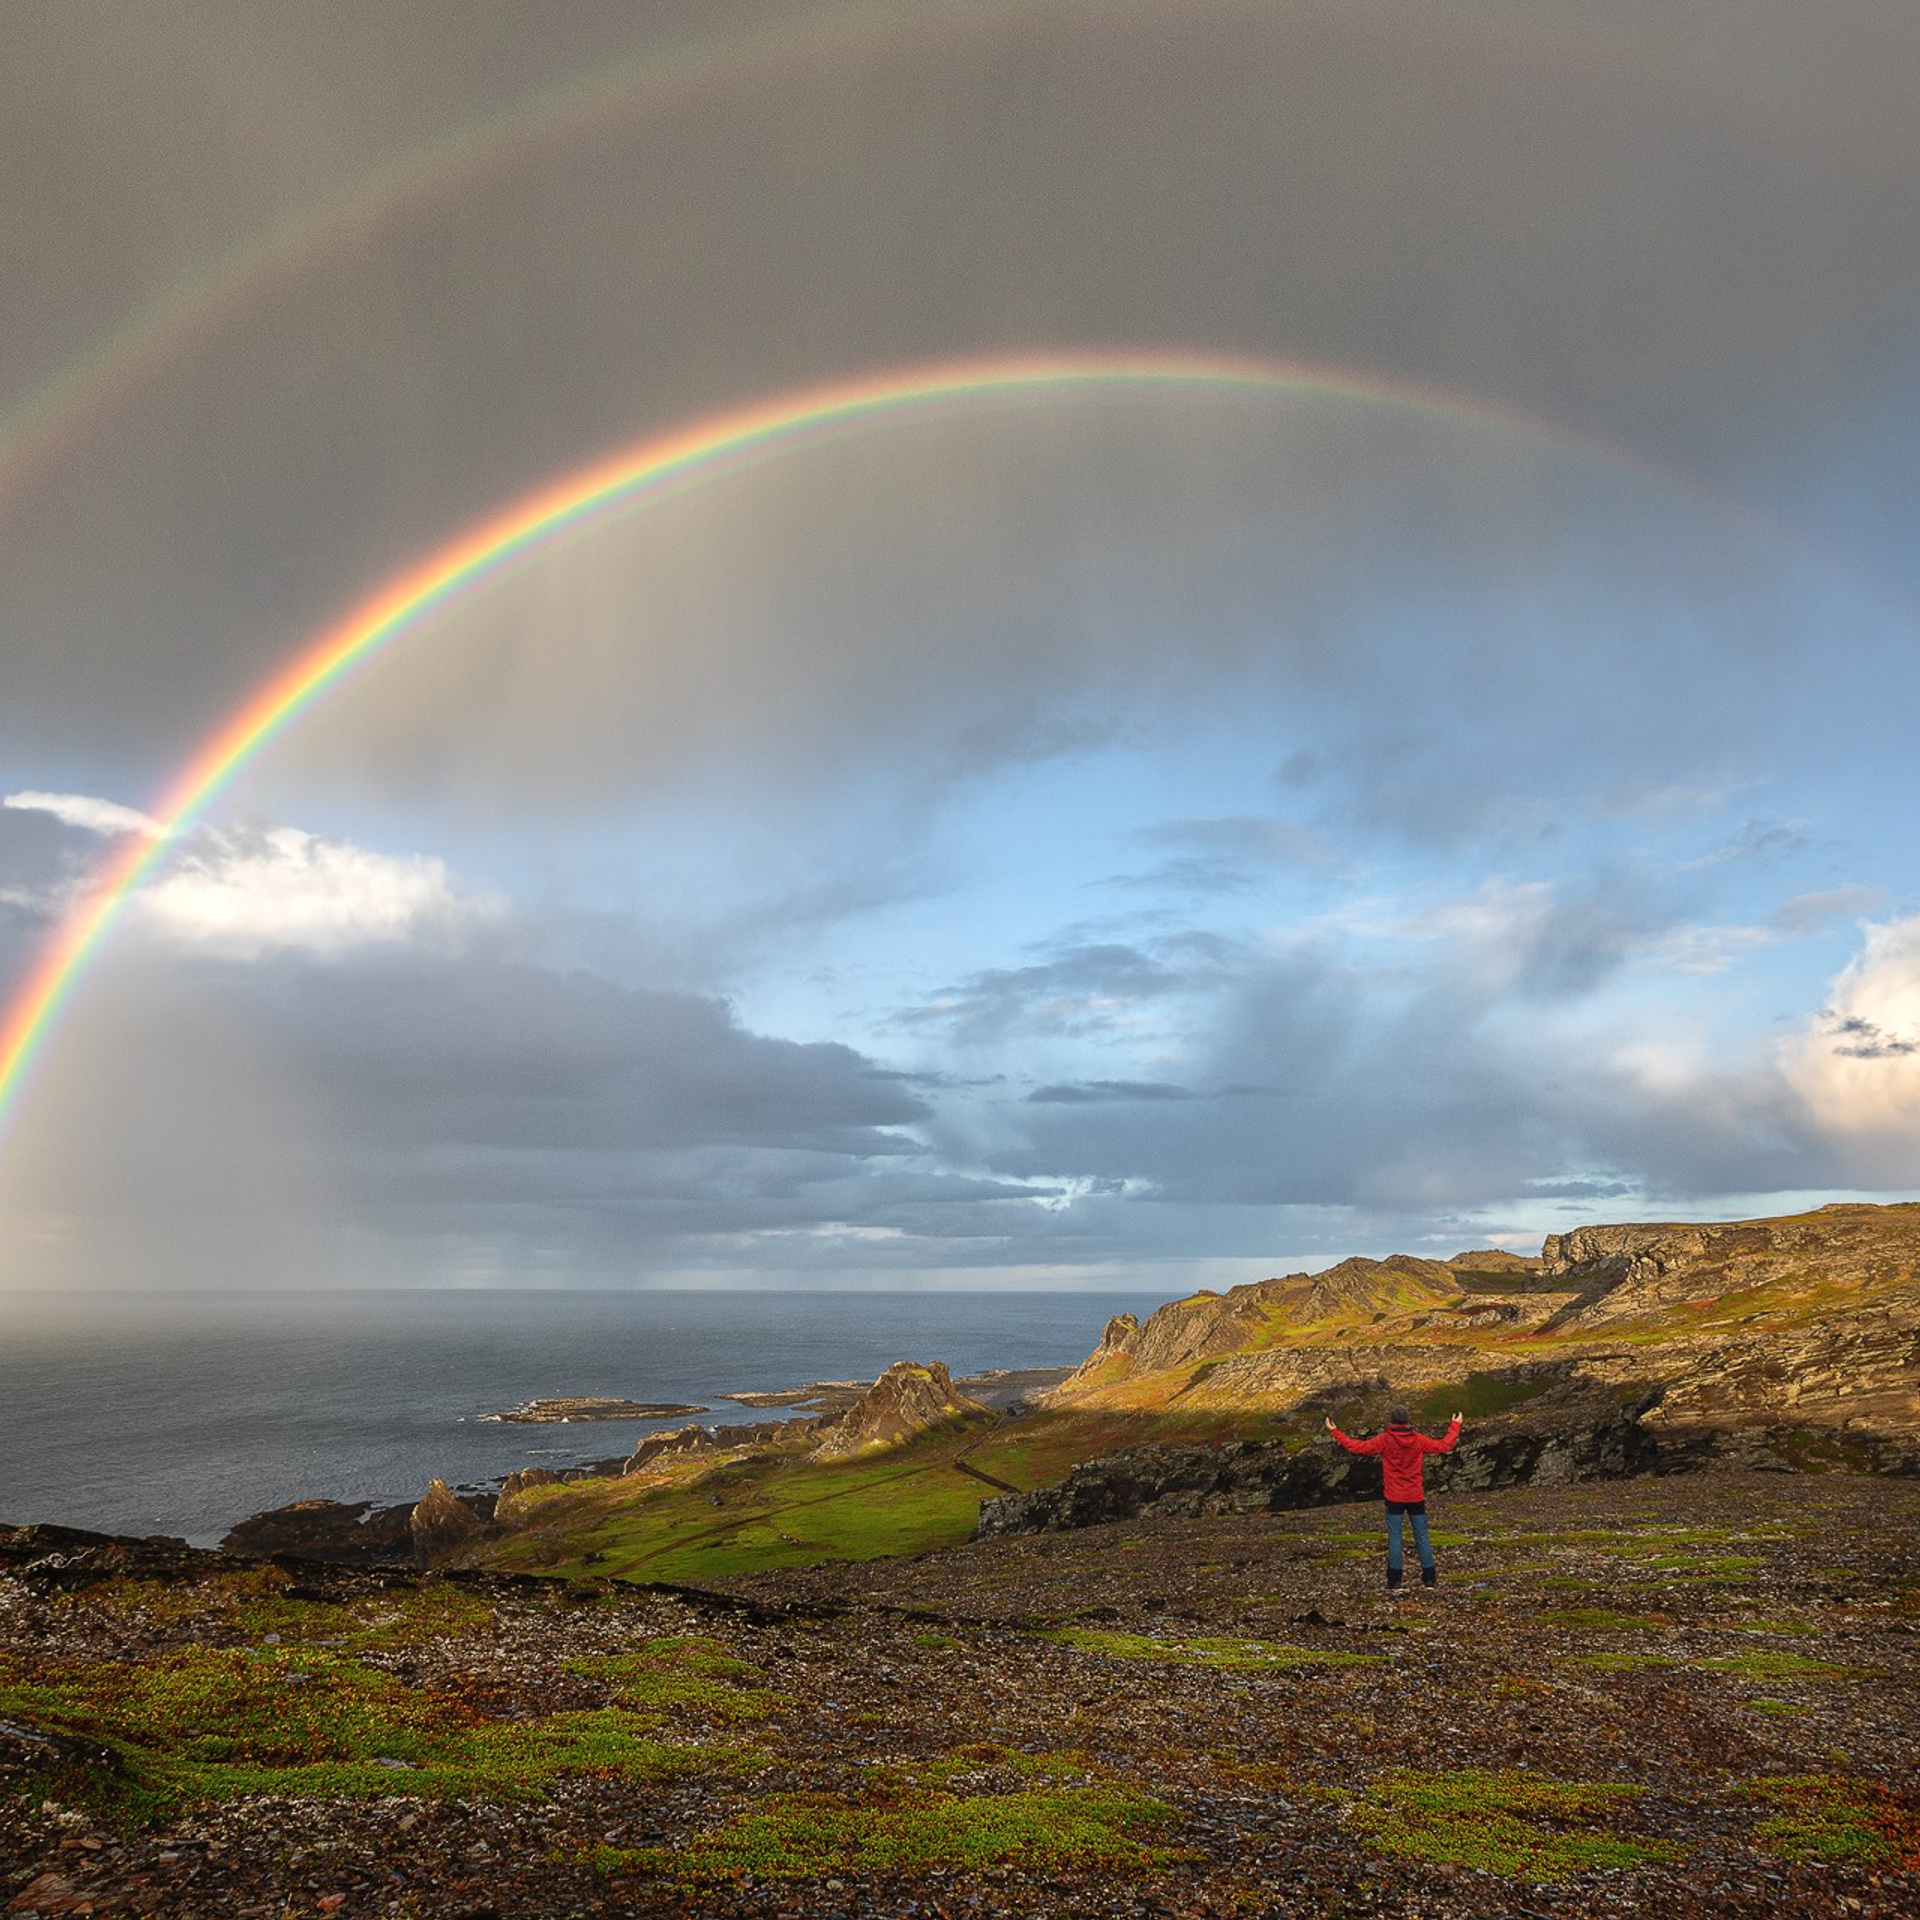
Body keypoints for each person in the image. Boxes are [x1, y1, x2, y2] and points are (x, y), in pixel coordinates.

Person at [1325, 1406, 1463, 1594]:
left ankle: (1395, 1581)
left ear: (1392, 1421)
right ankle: (1429, 1578)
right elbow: (1443, 1445)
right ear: (1408, 1421)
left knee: (1395, 1538)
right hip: (1415, 1496)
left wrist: (1335, 1432)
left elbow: (1358, 1447)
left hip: (1394, 1497)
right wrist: (1455, 1425)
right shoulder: (1418, 1439)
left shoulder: (1385, 1439)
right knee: (1422, 1535)